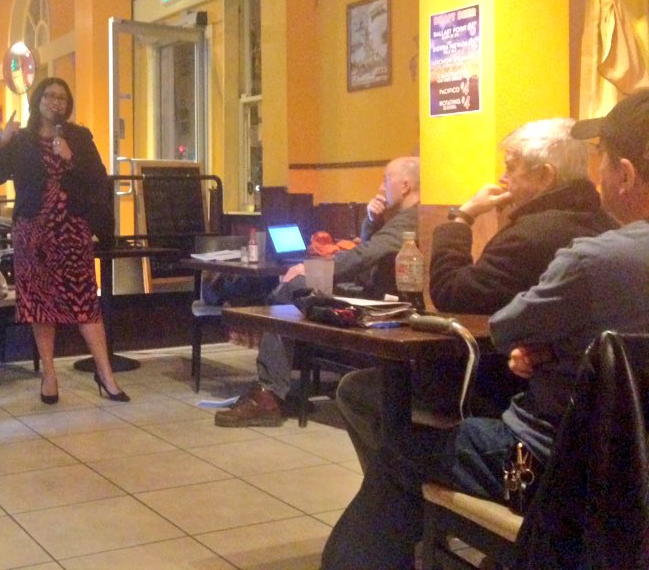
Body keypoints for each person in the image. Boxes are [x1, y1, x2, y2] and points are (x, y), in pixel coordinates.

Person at [320, 90, 649, 570]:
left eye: (603, 159)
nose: (597, 174)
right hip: (633, 479)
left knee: (398, 453)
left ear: (626, 175)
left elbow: (504, 326)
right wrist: (566, 353)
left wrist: (546, 346)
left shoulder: (593, 259)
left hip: (552, 469)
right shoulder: (596, 239)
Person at [336, 119, 617, 468]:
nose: (503, 178)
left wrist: (461, 217)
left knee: (358, 390)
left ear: (545, 177)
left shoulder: (531, 235)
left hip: (507, 390)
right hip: (586, 410)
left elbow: (452, 293)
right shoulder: (607, 226)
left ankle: (397, 484)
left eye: (511, 168)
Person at [215, 156, 420, 427]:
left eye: (386, 179)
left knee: (289, 292)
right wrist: (371, 220)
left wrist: (310, 268)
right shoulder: (400, 217)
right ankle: (274, 389)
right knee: (290, 291)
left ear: (405, 185)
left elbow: (364, 255)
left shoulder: (412, 219)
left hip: (382, 302)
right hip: (368, 290)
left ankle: (270, 394)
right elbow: (367, 251)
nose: (382, 187)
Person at [0, 78, 126, 404]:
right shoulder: (21, 140)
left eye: (62, 97)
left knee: (84, 300)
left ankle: (106, 374)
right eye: (49, 95)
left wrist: (71, 158)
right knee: (41, 303)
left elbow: (98, 180)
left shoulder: (79, 137)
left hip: (72, 228)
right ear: (38, 100)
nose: (55, 102)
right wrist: (1, 143)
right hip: (32, 231)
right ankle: (49, 374)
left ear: (68, 104)